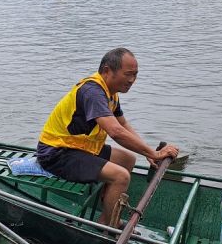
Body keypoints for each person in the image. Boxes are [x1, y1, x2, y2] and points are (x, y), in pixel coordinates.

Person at [36, 48, 179, 227]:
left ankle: (107, 214)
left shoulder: (111, 92)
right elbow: (115, 132)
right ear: (106, 71)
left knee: (127, 159)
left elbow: (123, 125)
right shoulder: (92, 92)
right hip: (56, 153)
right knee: (121, 176)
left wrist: (148, 153)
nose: (132, 80)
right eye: (128, 74)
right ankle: (109, 227)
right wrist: (154, 153)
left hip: (80, 148)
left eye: (135, 75)